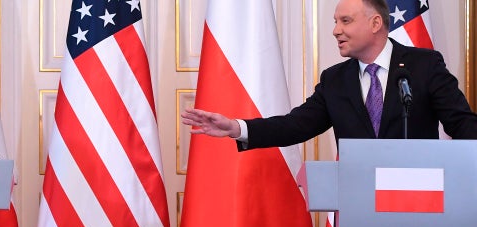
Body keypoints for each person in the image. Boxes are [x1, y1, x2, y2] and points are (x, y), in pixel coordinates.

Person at [181, 0, 477, 148]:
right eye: (336, 21)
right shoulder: (335, 80)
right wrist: (237, 127)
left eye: (345, 21)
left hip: (420, 206)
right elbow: (295, 125)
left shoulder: (423, 66)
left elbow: (462, 124)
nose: (336, 30)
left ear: (375, 23)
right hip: (357, 209)